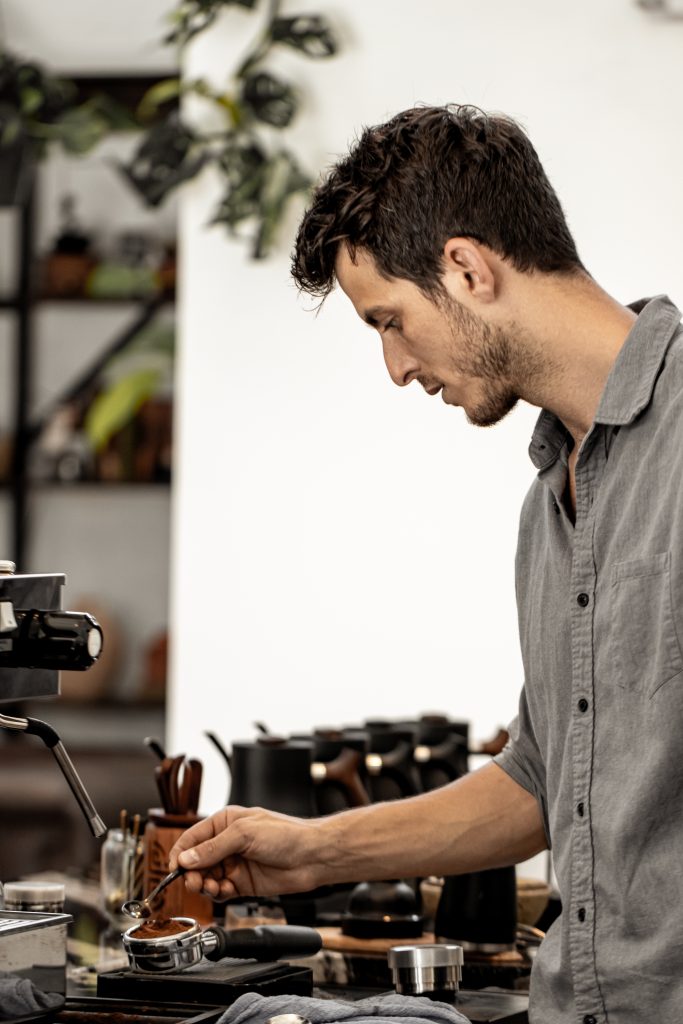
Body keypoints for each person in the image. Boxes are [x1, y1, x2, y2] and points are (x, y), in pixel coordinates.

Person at [170, 105, 683, 1023]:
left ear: (466, 267)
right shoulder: (550, 502)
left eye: (390, 321)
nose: (396, 367)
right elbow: (539, 779)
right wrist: (314, 849)